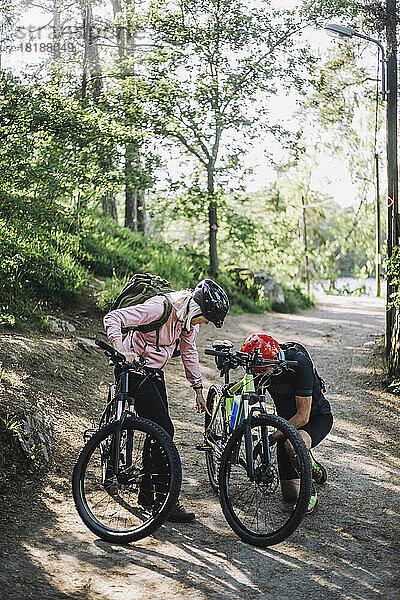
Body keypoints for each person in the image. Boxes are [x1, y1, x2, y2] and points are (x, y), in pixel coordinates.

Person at [103, 278, 229, 523]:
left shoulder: (188, 322)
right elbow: (113, 318)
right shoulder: (160, 308)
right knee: (164, 429)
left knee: (158, 429)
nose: (205, 324)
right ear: (197, 308)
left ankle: (148, 496)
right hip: (132, 367)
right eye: (206, 318)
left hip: (153, 372)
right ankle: (163, 500)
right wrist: (121, 349)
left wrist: (198, 389)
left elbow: (189, 353)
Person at [240, 333, 333, 514]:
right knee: (289, 495)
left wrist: (271, 438)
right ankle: (311, 465)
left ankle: (309, 491)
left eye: (261, 370)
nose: (259, 374)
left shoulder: (299, 363)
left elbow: (302, 417)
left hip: (315, 418)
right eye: (256, 370)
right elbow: (251, 400)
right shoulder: (262, 363)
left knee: (293, 446)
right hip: (285, 425)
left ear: (275, 358)